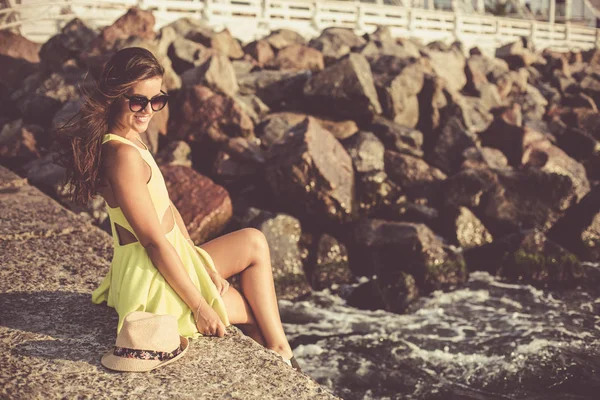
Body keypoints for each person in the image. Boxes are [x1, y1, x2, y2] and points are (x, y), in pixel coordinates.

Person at [52, 47, 300, 371]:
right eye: (138, 100)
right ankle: (282, 362)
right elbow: (153, 241)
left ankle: (279, 352)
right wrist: (199, 306)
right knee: (255, 314)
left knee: (254, 241)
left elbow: (166, 206)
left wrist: (202, 263)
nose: (148, 110)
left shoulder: (131, 138)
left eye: (157, 100)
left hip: (174, 253)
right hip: (152, 279)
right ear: (114, 95)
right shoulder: (121, 154)